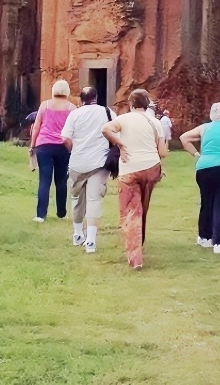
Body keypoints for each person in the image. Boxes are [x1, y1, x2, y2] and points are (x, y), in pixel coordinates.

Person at [102, 89, 168, 269]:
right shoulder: (155, 122)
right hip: (151, 167)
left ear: (131, 104)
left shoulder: (123, 119)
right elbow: (162, 152)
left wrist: (121, 143)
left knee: (132, 212)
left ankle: (135, 258)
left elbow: (106, 129)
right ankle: (140, 242)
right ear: (147, 105)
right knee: (143, 209)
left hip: (130, 168)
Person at [179, 102, 220, 254]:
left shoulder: (204, 128)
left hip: (205, 168)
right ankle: (219, 244)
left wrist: (197, 154)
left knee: (206, 202)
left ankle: (204, 237)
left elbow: (184, 138)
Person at [61, 86, 112, 253]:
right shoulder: (107, 112)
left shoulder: (74, 114)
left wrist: (73, 149)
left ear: (80, 99)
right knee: (93, 200)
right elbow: (116, 130)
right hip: (99, 162)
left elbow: (65, 138)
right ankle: (90, 241)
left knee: (76, 198)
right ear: (96, 97)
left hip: (77, 162)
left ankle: (77, 234)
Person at [30, 81, 76, 222]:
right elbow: (74, 130)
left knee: (44, 180)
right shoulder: (72, 108)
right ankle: (61, 213)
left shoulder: (45, 105)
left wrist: (32, 145)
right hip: (63, 146)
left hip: (44, 145)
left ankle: (40, 215)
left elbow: (36, 126)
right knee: (61, 180)